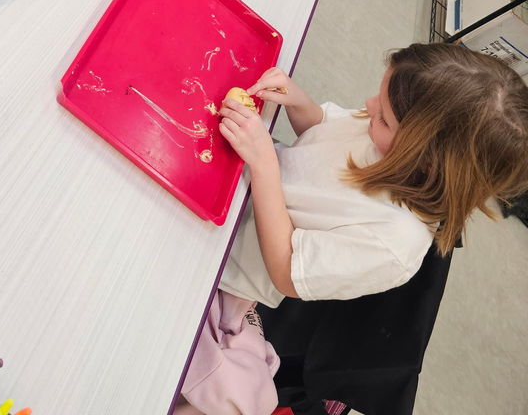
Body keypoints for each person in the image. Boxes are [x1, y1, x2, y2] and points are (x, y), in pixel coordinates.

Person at [177, 43, 528, 414]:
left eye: (384, 118)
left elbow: (285, 270)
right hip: (226, 190)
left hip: (226, 277)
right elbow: (322, 130)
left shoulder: (393, 242)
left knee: (239, 398)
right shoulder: (383, 130)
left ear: (425, 160)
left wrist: (265, 165)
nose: (369, 105)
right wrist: (298, 101)